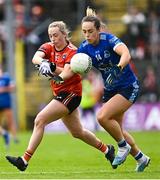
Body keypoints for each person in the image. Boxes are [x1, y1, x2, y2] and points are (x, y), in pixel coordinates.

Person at [6, 21, 116, 171]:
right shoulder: (48, 46)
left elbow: (66, 73)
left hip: (71, 94)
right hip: (61, 94)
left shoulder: (73, 52)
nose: (52, 38)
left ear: (64, 34)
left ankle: (24, 160)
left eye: (56, 35)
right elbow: (35, 58)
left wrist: (51, 67)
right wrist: (44, 62)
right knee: (77, 132)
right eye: (50, 35)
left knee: (40, 120)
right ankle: (107, 150)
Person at [77, 7, 150, 172]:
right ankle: (141, 158)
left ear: (98, 29)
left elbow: (126, 53)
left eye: (90, 31)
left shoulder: (109, 40)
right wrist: (57, 72)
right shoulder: (84, 48)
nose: (87, 35)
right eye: (84, 32)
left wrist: (118, 67)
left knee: (102, 117)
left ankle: (123, 147)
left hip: (127, 86)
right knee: (119, 129)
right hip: (110, 90)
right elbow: (71, 67)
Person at [0, 65, 18, 144]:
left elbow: (13, 87)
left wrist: (4, 89)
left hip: (6, 102)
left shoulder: (6, 77)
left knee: (10, 121)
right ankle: (4, 133)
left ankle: (14, 138)